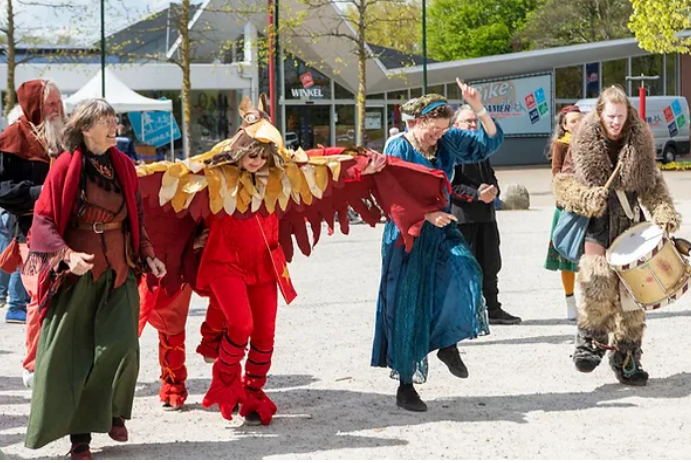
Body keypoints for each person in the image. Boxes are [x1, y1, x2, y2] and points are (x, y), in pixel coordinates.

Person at [22, 98, 166, 459]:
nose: (114, 126)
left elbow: (138, 219)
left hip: (120, 266)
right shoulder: (66, 166)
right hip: (78, 273)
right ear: (86, 128)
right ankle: (80, 438)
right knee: (74, 355)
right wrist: (67, 256)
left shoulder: (124, 165)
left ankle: (113, 411)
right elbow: (42, 221)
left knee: (123, 346)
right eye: (106, 121)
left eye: (114, 120)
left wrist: (148, 253)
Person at [371, 79, 504, 412]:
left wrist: (477, 106)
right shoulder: (398, 146)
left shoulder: (446, 141)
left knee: (467, 271)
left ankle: (447, 342)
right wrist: (426, 214)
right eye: (434, 129)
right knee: (408, 309)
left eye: (444, 129)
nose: (439, 135)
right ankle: (406, 386)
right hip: (408, 234)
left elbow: (489, 142)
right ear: (417, 122)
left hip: (440, 229)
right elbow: (391, 194)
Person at [553, 85, 680, 386]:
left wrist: (664, 213)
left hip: (631, 229)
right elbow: (563, 184)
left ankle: (627, 357)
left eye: (620, 116)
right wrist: (586, 196)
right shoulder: (582, 143)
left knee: (634, 298)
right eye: (611, 116)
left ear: (628, 114)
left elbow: (653, 186)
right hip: (596, 226)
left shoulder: (640, 141)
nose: (616, 122)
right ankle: (590, 341)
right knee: (596, 283)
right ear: (600, 113)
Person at [0, 80, 65, 386]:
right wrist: (42, 192)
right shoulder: (14, 136)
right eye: (51, 104)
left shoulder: (67, 135)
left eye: (59, 102)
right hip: (31, 232)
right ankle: (33, 366)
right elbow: (3, 189)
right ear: (36, 105)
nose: (57, 109)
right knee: (40, 291)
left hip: (70, 233)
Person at [451, 105, 521, 325]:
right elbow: (450, 185)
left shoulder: (480, 149)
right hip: (464, 217)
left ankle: (493, 308)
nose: (473, 125)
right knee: (466, 267)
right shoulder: (451, 151)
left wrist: (494, 190)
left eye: (474, 121)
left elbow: (491, 176)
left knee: (491, 264)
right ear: (456, 126)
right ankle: (466, 313)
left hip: (487, 216)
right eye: (467, 121)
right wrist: (476, 194)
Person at [544, 105, 583, 320]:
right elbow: (556, 172)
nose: (577, 124)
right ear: (565, 125)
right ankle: (570, 301)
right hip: (567, 203)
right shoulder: (562, 144)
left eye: (580, 120)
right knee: (566, 257)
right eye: (572, 121)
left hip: (588, 203)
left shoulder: (591, 142)